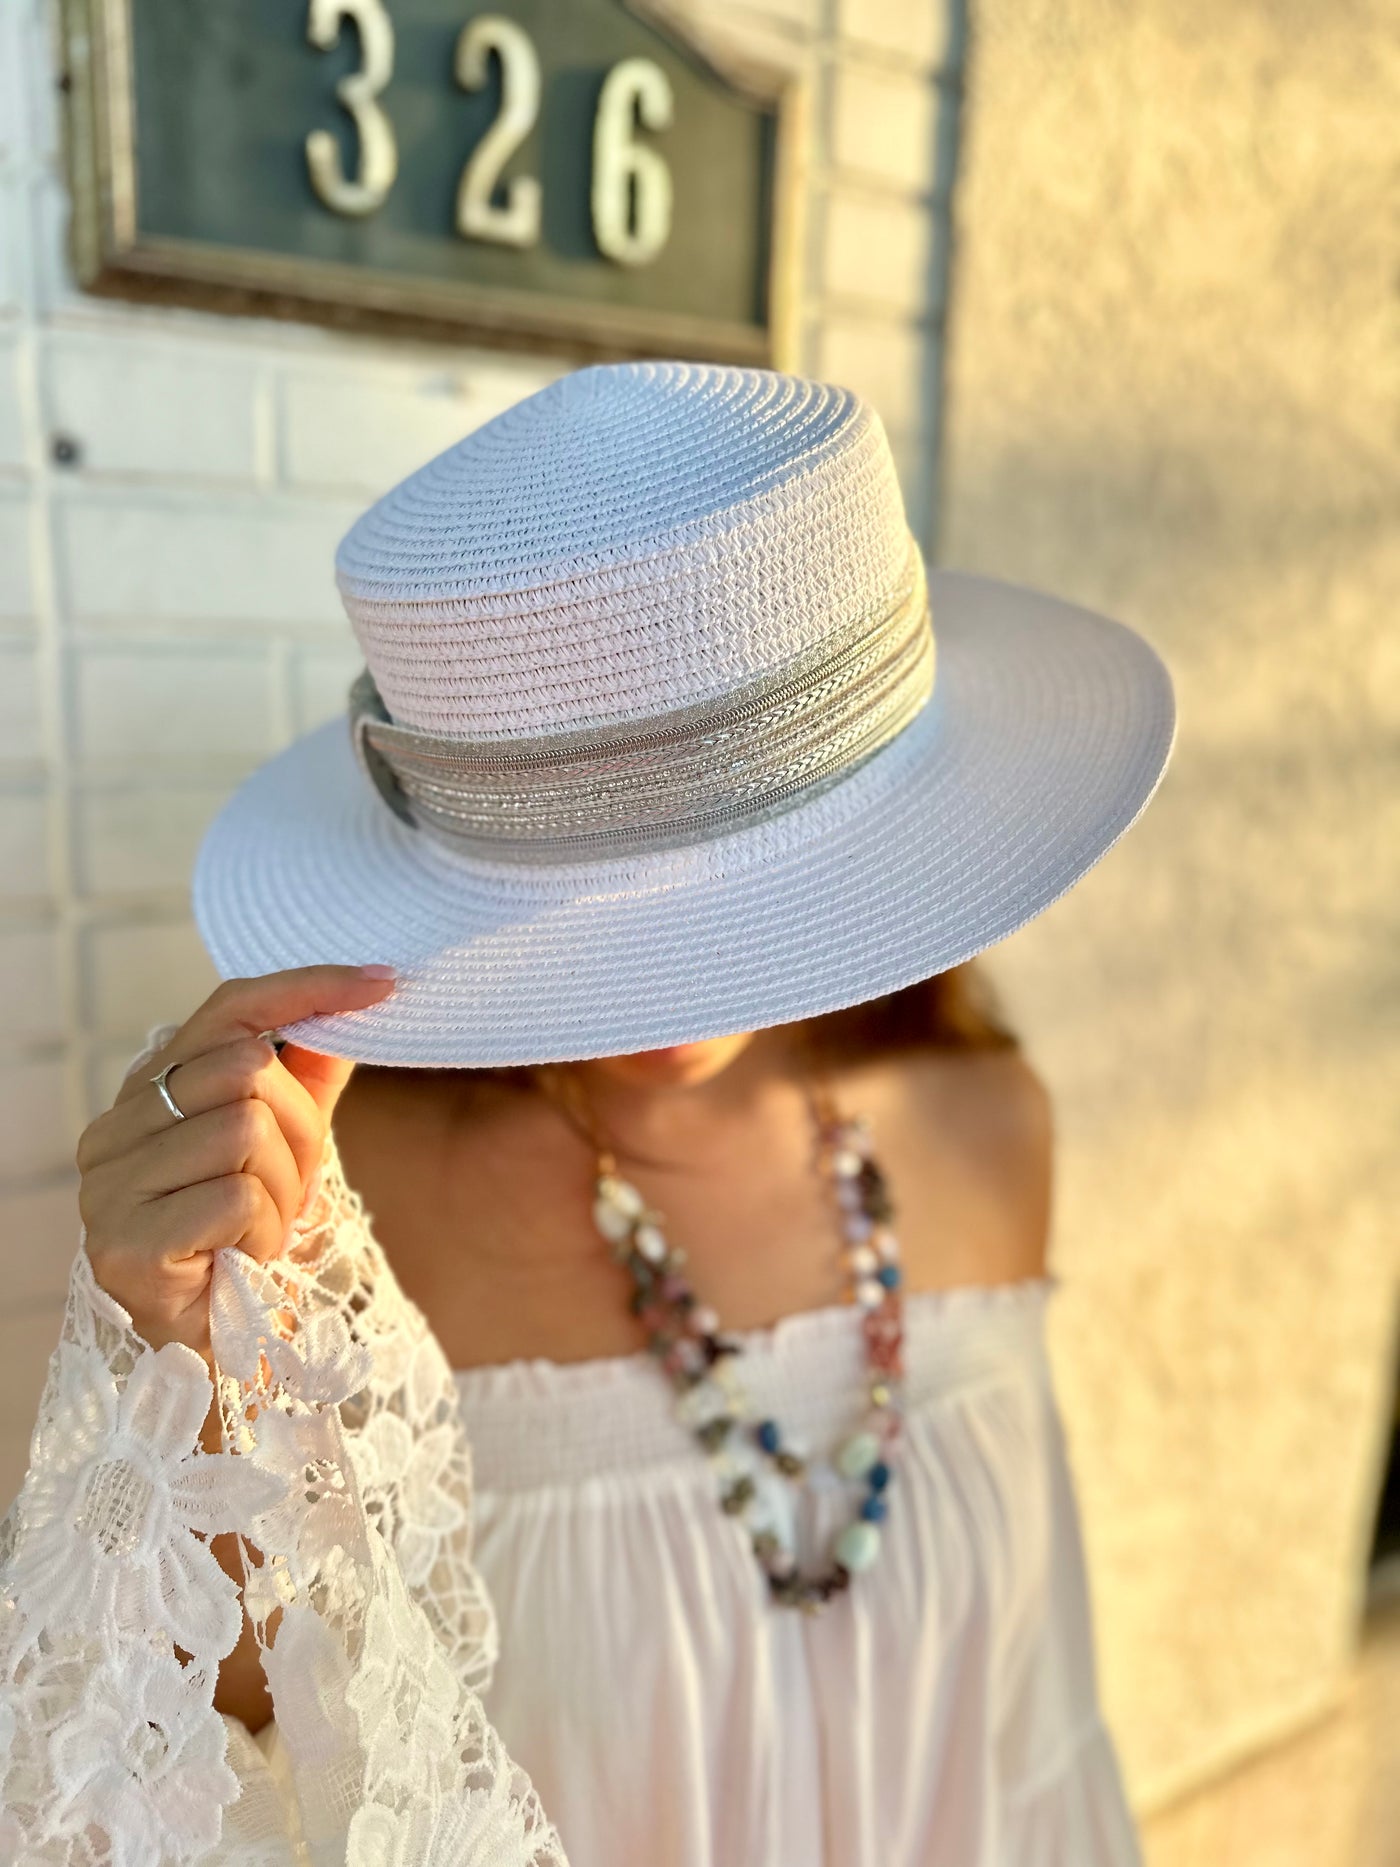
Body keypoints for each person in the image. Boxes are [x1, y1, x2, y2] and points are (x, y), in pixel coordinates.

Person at [0, 362, 1175, 1866]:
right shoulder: (336, 1211)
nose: (667, 997)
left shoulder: (989, 1128)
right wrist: (167, 1347)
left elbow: (1030, 1729)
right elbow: (243, 1750)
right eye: (587, 911)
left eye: (734, 895)